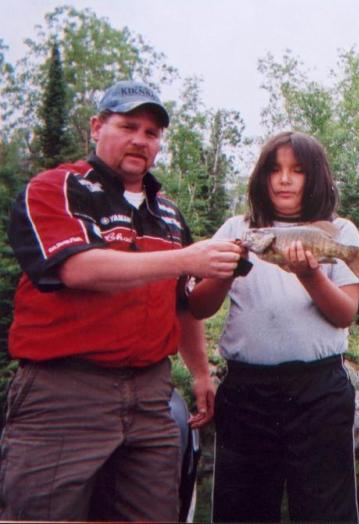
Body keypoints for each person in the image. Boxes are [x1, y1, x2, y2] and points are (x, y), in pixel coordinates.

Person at [0, 80, 243, 521]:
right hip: (65, 392)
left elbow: (182, 303)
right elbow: (78, 269)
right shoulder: (56, 187)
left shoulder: (167, 212)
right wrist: (186, 259)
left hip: (151, 396)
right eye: (128, 126)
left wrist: (200, 373)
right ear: (97, 127)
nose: (140, 140)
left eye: (151, 133)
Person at [188, 131, 359, 522]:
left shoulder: (340, 232)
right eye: (274, 169)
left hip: (319, 392)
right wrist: (228, 268)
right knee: (242, 512)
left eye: (297, 170)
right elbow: (199, 306)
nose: (284, 179)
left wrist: (310, 274)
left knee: (327, 512)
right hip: (246, 391)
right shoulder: (236, 229)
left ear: (316, 178)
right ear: (261, 177)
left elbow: (344, 314)